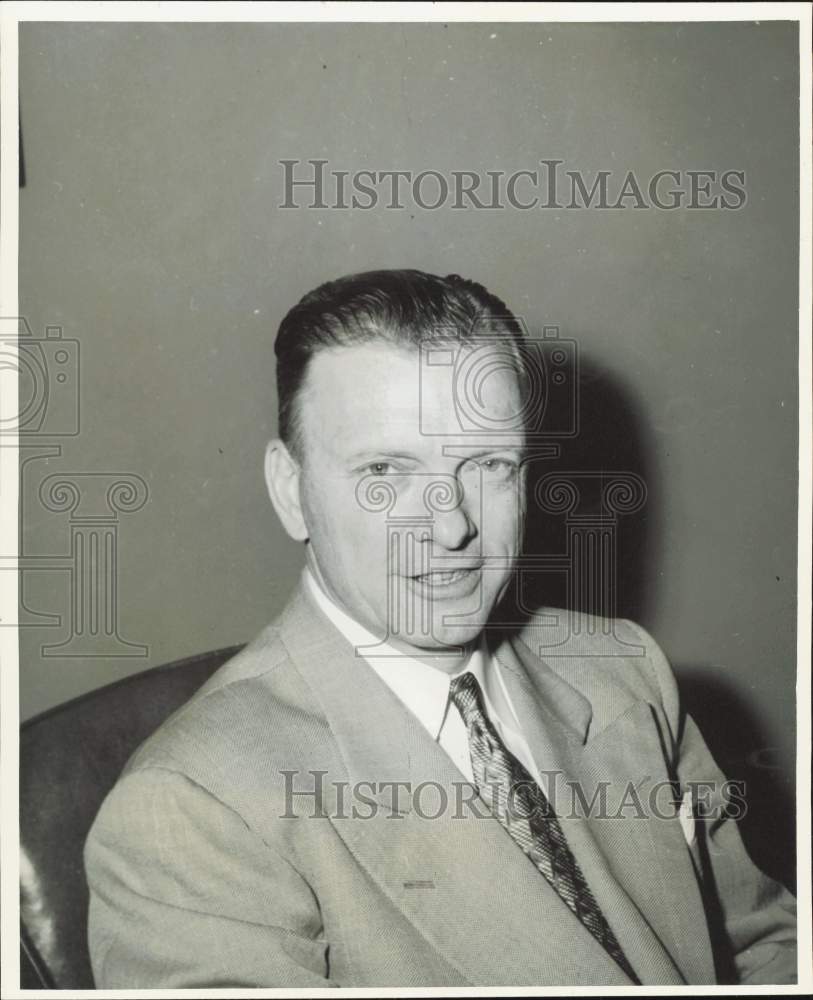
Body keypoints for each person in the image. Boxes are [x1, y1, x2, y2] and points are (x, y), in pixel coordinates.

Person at [84, 269, 797, 987]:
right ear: (291, 492)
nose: (451, 527)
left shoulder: (621, 669)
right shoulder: (193, 809)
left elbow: (763, 946)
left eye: (487, 464)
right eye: (386, 472)